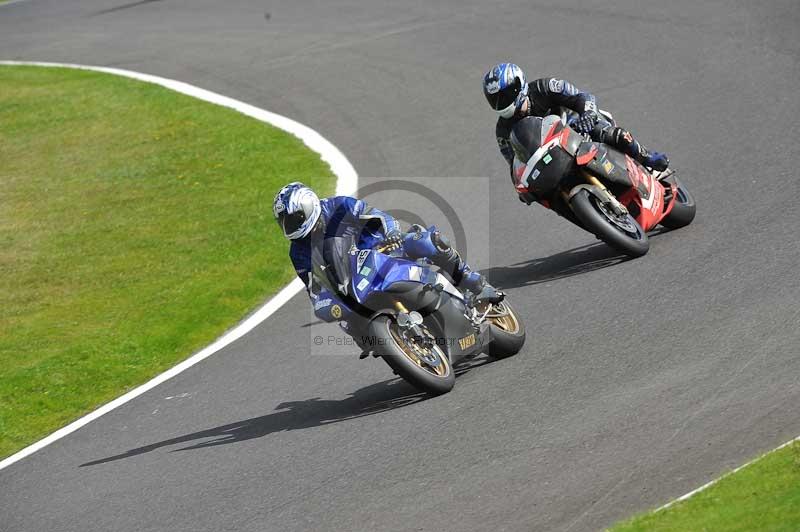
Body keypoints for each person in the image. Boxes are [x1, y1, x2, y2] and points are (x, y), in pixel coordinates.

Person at [272, 182, 502, 326]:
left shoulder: (339, 206)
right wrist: (325, 306)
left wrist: (392, 233)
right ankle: (390, 343)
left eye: (294, 219)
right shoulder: (298, 250)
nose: (290, 227)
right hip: (352, 282)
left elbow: (381, 217)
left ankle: (475, 284)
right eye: (284, 223)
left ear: (309, 205)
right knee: (344, 318)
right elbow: (314, 288)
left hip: (383, 250)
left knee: (426, 241)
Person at [482, 63, 670, 178]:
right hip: (551, 158)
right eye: (496, 98)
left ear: (518, 85)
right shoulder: (502, 131)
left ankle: (645, 156)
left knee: (608, 133)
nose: (502, 102)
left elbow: (582, 97)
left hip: (578, 128)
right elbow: (514, 162)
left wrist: (587, 116)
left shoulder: (544, 87)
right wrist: (520, 185)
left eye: (505, 95)